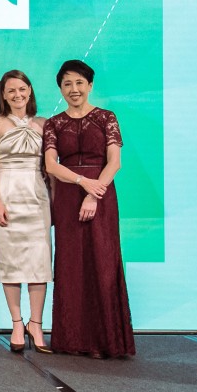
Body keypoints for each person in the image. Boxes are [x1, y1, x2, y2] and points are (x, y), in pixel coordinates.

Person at [42, 60, 135, 358]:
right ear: (60, 88)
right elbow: (51, 165)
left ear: (90, 85)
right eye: (67, 84)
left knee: (103, 263)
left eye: (79, 82)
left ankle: (106, 342)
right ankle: (72, 341)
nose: (74, 89)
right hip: (68, 197)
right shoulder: (54, 123)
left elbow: (114, 162)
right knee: (71, 266)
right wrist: (83, 182)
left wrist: (94, 194)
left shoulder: (107, 117)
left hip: (101, 196)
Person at [0, 70, 53, 354]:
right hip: (7, 198)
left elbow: (50, 167)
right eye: (11, 90)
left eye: (22, 89)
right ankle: (16, 323)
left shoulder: (44, 124)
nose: (17, 95)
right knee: (10, 263)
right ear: (3, 94)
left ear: (30, 90)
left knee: (39, 264)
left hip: (37, 199)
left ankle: (36, 323)